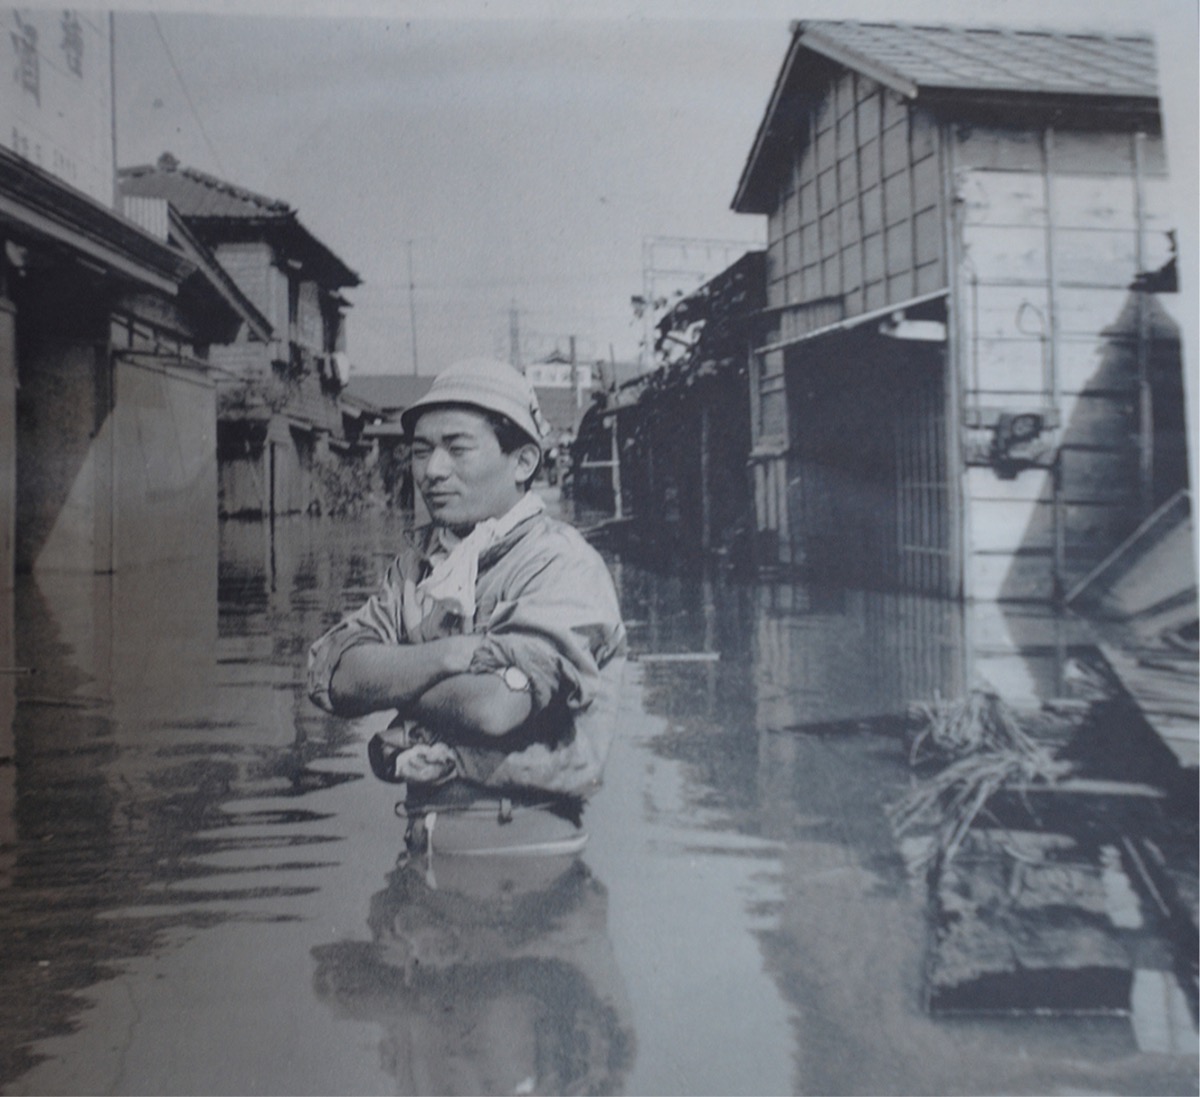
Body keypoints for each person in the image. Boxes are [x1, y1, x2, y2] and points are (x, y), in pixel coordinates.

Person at [307, 357, 626, 852]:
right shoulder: (421, 563)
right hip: (424, 845)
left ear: (523, 461)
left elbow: (494, 709)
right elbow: (334, 674)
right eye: (421, 451)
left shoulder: (561, 564)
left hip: (523, 854)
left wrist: (397, 670)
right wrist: (450, 655)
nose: (433, 470)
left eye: (457, 448)